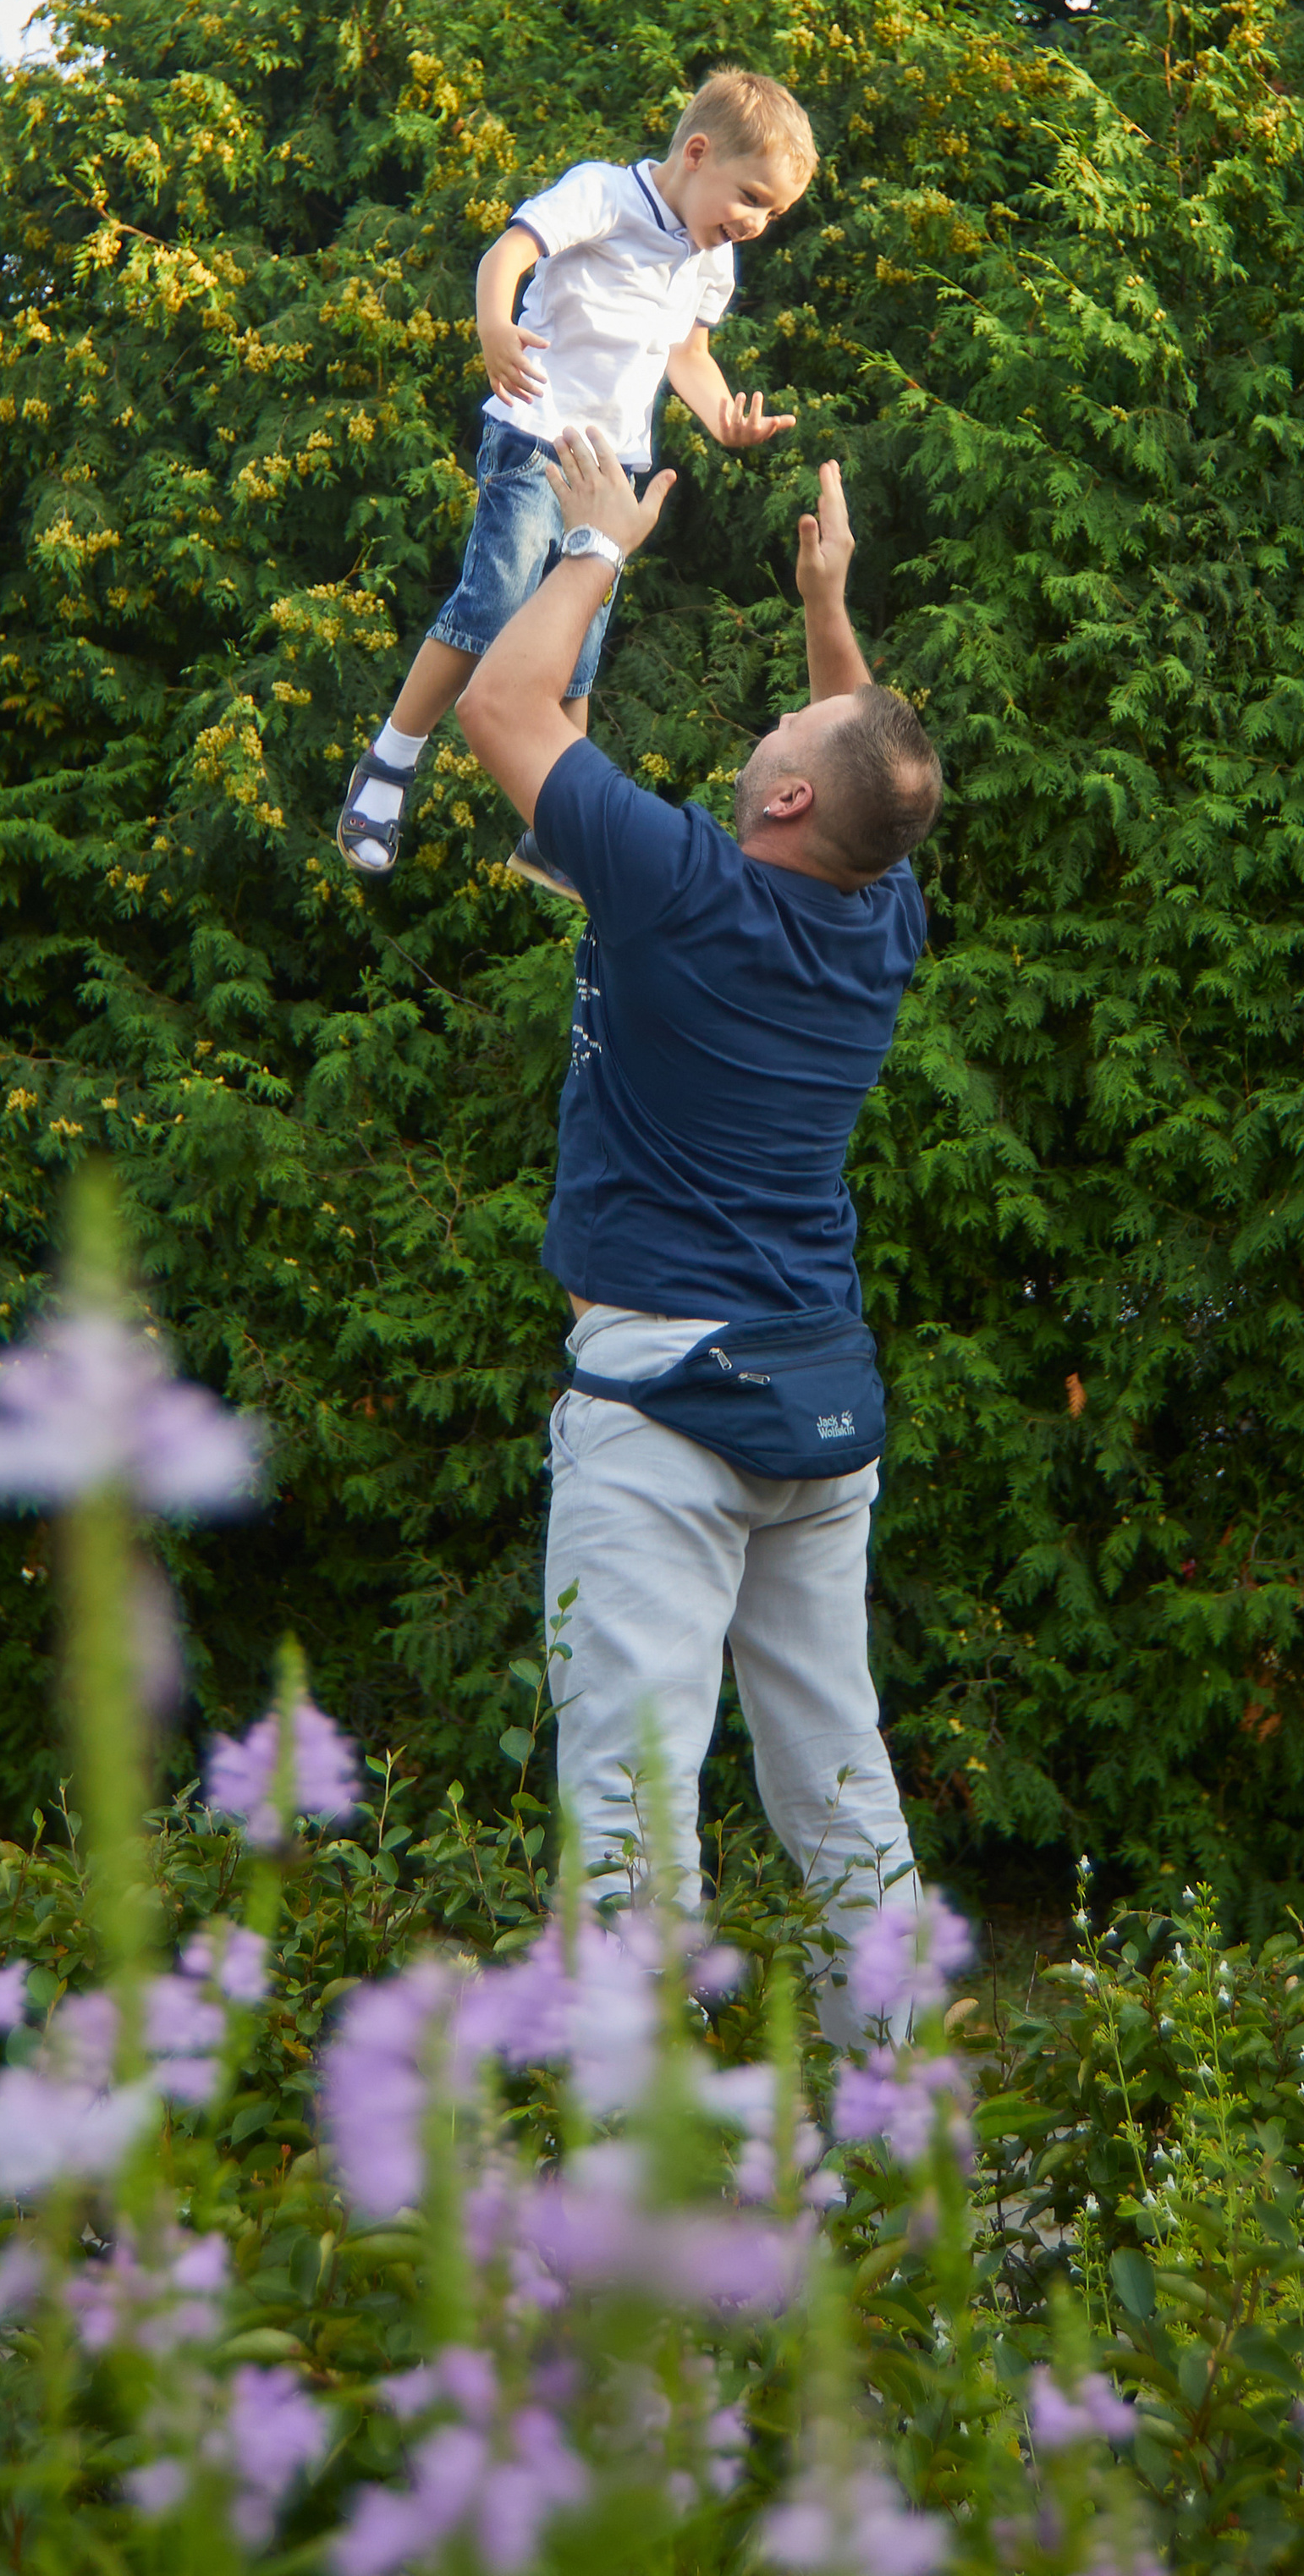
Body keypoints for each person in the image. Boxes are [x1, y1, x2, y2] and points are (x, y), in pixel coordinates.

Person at [454, 427, 943, 2042]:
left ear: (788, 792)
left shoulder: (679, 886)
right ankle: (915, 2144)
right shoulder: (876, 922)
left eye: (782, 723)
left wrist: (598, 539)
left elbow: (502, 708)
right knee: (840, 1788)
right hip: (817, 1411)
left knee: (628, 1822)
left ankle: (629, 2209)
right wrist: (830, 606)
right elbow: (874, 776)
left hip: (666, 1406)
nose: (767, 723)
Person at [336, 69, 815, 897]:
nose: (756, 224)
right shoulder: (604, 195)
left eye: (772, 214)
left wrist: (721, 420)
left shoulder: (711, 263)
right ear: (696, 155)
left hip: (614, 470)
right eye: (752, 198)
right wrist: (495, 324)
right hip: (534, 435)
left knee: (578, 653)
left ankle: (557, 830)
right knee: (489, 606)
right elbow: (508, 253)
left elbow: (687, 357)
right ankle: (390, 760)